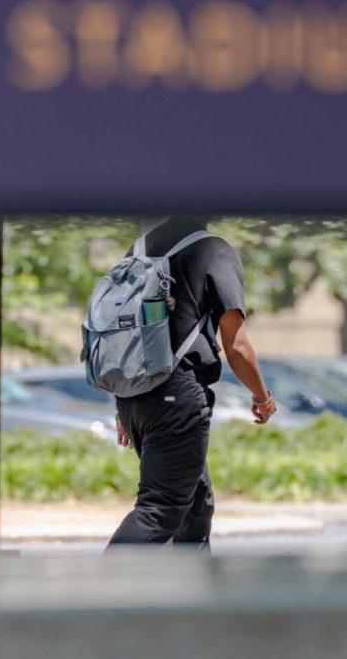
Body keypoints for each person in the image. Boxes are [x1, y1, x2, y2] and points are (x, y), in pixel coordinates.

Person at [107, 216, 275, 549]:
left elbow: (120, 335)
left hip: (134, 394)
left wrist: (120, 404)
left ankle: (196, 593)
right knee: (162, 508)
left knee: (196, 506)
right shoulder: (213, 250)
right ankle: (104, 589)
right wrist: (262, 397)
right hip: (176, 396)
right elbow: (237, 346)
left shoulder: (138, 249)